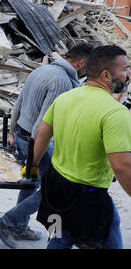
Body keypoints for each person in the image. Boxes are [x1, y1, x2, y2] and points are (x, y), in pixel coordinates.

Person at [0, 42, 94, 248]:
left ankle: (18, 225)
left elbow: (19, 103)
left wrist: (12, 133)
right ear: (81, 63)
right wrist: (35, 158)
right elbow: (44, 125)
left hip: (23, 137)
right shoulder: (62, 81)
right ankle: (8, 221)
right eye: (90, 69)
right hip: (37, 143)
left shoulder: (44, 69)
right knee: (54, 190)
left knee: (31, 182)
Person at [34, 45, 131, 249]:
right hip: (88, 198)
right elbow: (122, 167)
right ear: (106, 75)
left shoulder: (66, 97)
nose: (129, 74)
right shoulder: (115, 113)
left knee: (59, 237)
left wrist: (33, 166)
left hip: (55, 188)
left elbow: (42, 134)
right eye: (125, 69)